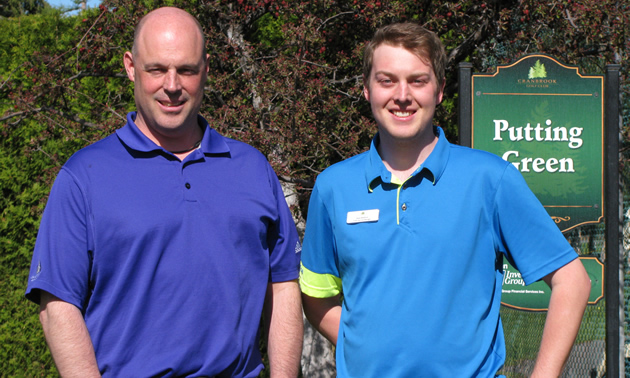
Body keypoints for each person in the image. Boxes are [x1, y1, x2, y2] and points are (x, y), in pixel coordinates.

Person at [299, 22, 591, 377]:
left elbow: (572, 280)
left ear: (439, 91)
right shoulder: (333, 187)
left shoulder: (490, 179)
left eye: (418, 81)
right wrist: (367, 347)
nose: (402, 95)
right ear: (366, 89)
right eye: (387, 80)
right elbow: (316, 293)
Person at [25, 7, 303, 377]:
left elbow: (284, 283)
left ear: (205, 69)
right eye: (157, 69)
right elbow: (58, 305)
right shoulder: (84, 176)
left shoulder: (252, 169)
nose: (172, 85)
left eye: (186, 70)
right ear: (131, 67)